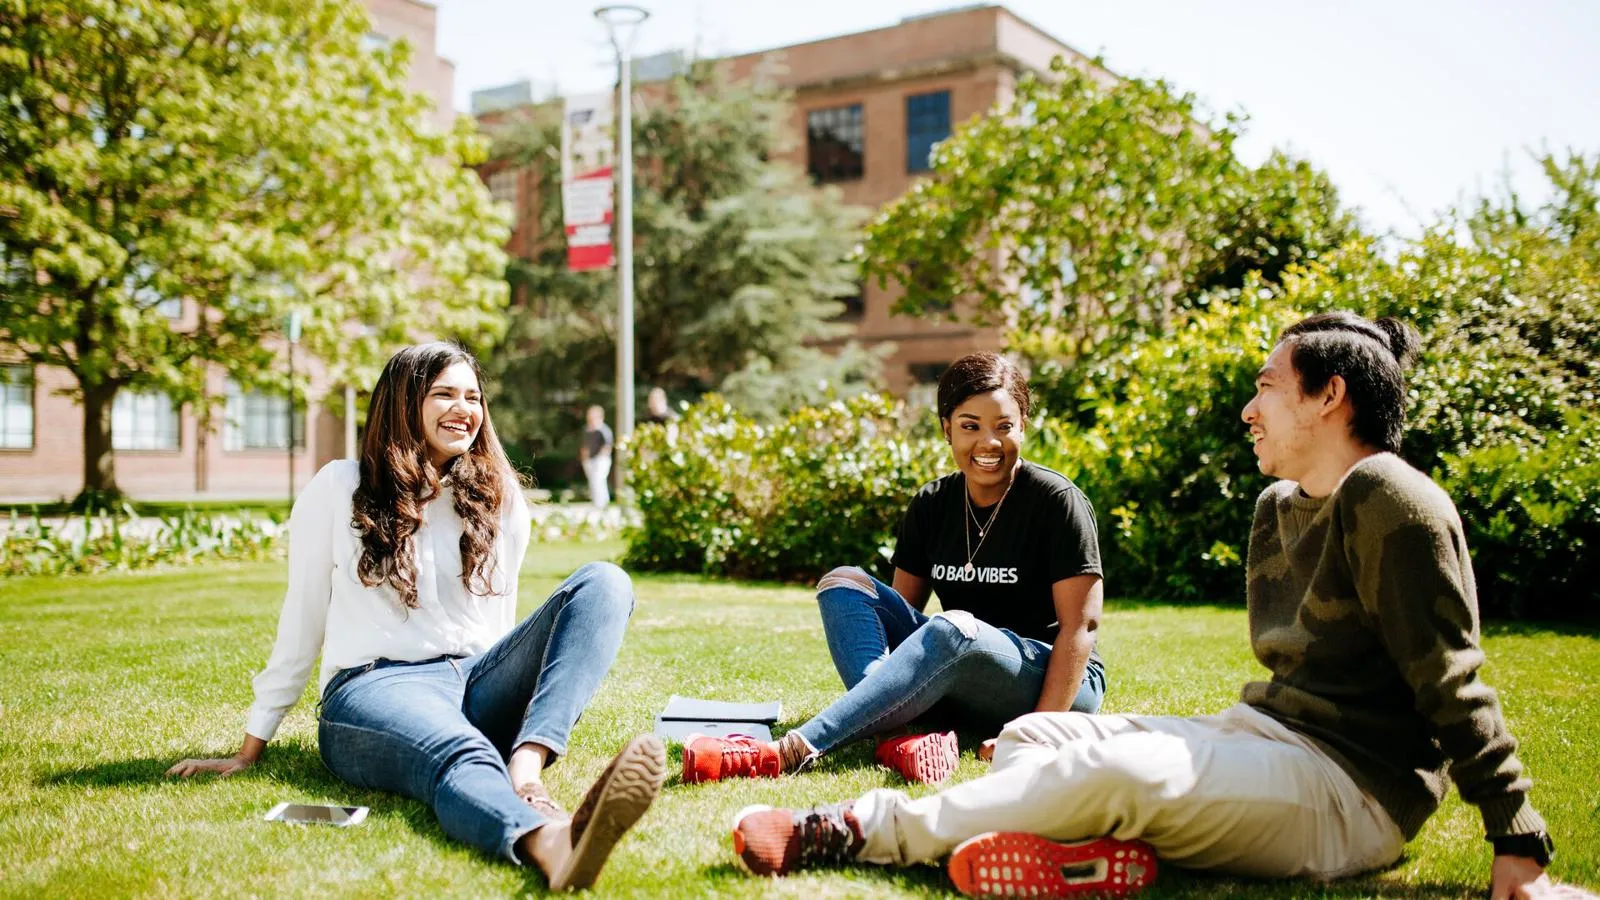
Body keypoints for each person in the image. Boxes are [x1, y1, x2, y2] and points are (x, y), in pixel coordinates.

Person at [728, 313, 1561, 900]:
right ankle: (1087, 859)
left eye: (1267, 387)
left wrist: (1518, 842)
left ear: (1327, 395)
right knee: (1029, 736)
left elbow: (1452, 679)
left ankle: (851, 829)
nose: (1249, 407)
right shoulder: (1281, 506)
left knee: (1106, 767)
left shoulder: (1391, 496)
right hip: (1269, 734)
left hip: (1354, 792)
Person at [168, 343, 665, 891]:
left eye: (473, 397)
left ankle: (526, 770)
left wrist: (512, 703)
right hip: (376, 688)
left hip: (476, 678)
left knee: (604, 582)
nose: (465, 409)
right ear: (404, 402)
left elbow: (500, 617)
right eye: (445, 394)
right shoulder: (339, 487)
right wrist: (250, 745)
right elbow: (302, 620)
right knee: (462, 749)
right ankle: (550, 841)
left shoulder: (496, 497)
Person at [684, 352, 1107, 786]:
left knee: (952, 628)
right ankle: (896, 737)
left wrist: (1035, 732)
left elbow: (1081, 627)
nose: (989, 443)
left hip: (1050, 679)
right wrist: (896, 684)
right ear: (946, 429)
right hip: (961, 677)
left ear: (1023, 426)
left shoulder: (1056, 501)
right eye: (970, 425)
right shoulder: (933, 503)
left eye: (1004, 426)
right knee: (843, 582)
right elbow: (899, 621)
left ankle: (787, 752)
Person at [579, 404, 614, 509]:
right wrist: (585, 458)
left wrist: (599, 459)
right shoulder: (587, 430)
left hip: (600, 460)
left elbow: (607, 447)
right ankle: (596, 503)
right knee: (593, 482)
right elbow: (584, 446)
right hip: (589, 460)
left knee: (599, 480)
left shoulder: (604, 430)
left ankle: (602, 504)